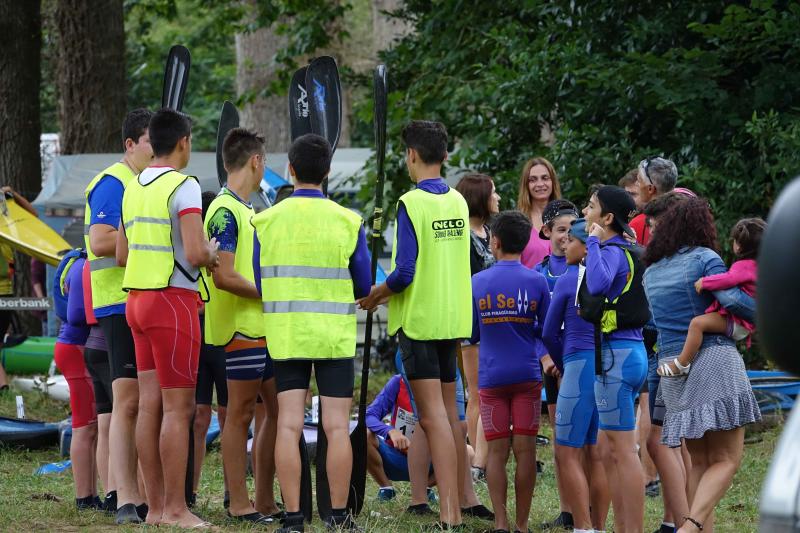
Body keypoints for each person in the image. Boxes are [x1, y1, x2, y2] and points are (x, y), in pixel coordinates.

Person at [252, 133, 371, 533]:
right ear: (329, 172)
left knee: (287, 424)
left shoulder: (265, 222)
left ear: (289, 168)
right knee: (337, 427)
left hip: (286, 334)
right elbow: (364, 285)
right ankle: (338, 516)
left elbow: (259, 280)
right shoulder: (348, 221)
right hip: (334, 335)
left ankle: (293, 519)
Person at [359, 120, 472, 530]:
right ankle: (455, 506)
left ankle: (448, 514)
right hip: (452, 319)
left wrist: (376, 293)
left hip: (421, 322)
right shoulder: (458, 202)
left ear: (411, 156)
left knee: (434, 419)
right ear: (443, 156)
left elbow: (404, 271)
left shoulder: (411, 203)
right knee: (448, 415)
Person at [118, 108, 220, 528]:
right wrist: (212, 254)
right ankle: (176, 509)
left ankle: (156, 508)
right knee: (178, 410)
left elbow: (122, 255)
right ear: (184, 143)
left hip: (137, 301)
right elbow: (196, 253)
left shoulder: (133, 185)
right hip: (173, 302)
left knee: (148, 407)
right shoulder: (186, 186)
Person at [642, 198, 761, 533]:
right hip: (712, 359)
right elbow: (734, 301)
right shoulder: (705, 259)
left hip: (673, 368)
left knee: (699, 463)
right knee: (726, 459)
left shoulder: (651, 273)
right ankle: (691, 527)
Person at [204, 128, 279, 524]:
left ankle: (264, 499)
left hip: (260, 328)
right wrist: (272, 295)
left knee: (276, 413)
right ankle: (237, 502)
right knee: (240, 414)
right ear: (255, 162)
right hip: (238, 330)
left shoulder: (247, 208)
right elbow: (224, 276)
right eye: (264, 161)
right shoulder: (224, 210)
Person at [83, 108, 153, 524]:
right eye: (150, 142)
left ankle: (142, 495)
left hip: (142, 302)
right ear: (130, 145)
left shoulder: (142, 183)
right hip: (116, 303)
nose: (155, 149)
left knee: (141, 403)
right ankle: (125, 498)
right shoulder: (114, 182)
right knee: (127, 403)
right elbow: (99, 238)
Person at [471, 210, 551, 533]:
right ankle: (522, 525)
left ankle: (501, 523)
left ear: (496, 242)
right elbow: (545, 330)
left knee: (496, 453)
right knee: (526, 451)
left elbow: (473, 333)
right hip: (527, 377)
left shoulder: (477, 282)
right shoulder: (537, 281)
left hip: (491, 379)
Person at [581, 186, 649, 533]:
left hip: (615, 360)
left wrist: (593, 242)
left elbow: (598, 283)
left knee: (623, 452)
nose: (585, 212)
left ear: (607, 218)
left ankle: (632, 529)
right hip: (633, 355)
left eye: (591, 207)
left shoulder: (607, 249)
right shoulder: (630, 249)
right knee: (614, 448)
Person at [543, 218, 611, 533]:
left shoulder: (569, 280)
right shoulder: (608, 275)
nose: (564, 244)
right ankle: (596, 526)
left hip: (577, 366)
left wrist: (561, 363)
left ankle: (583, 528)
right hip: (603, 368)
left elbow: (548, 332)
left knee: (566, 451)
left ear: (585, 248)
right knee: (595, 454)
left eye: (570, 240)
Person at [658, 218, 764, 378]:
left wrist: (705, 282)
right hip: (744, 323)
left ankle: (682, 363)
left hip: (738, 322)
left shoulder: (744, 265)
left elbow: (729, 279)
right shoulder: (761, 265)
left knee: (697, 324)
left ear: (739, 246)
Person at [534, 199, 581, 530]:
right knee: (561, 441)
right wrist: (546, 358)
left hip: (581, 363)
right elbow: (535, 327)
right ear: (547, 231)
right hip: (553, 367)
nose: (566, 237)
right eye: (561, 230)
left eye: (572, 230)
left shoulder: (585, 269)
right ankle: (567, 510)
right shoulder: (539, 274)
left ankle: (587, 507)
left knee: (586, 442)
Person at [453, 173, 499, 481]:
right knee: (477, 390)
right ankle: (475, 459)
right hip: (472, 319)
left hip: (496, 317)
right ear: (479, 197)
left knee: (490, 388)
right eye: (493, 193)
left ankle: (486, 451)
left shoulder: (489, 231)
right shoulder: (463, 236)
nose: (497, 198)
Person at [52, 250, 98, 510]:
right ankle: (84, 497)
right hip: (75, 347)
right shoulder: (84, 266)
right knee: (84, 425)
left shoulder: (76, 263)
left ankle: (90, 495)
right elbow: (78, 315)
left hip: (71, 346)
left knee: (91, 425)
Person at [192, 191, 229, 508]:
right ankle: (188, 491)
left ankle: (233, 492)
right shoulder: (188, 243)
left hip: (222, 333)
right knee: (198, 416)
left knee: (229, 415)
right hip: (197, 334)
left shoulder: (225, 238)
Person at [365, 373, 438, 512]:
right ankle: (386, 488)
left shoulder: (441, 383)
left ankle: (425, 489)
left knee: (467, 451)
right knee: (364, 436)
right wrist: (390, 431)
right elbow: (369, 415)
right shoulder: (398, 382)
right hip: (395, 457)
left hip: (430, 462)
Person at [80, 258, 117, 513]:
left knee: (106, 424)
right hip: (109, 345)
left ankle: (111, 493)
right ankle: (120, 493)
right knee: (122, 420)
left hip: (92, 342)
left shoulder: (83, 265)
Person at [0, 186, 39, 391]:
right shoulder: (6, 222)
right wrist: (13, 195)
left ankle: (3, 387)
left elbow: (33, 216)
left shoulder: (5, 222)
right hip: (6, 293)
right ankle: (4, 387)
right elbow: (33, 215)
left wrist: (12, 195)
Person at [517, 157, 563, 268]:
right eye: (533, 180)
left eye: (545, 178)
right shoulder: (517, 222)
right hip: (527, 285)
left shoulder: (566, 217)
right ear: (526, 185)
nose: (540, 184)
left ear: (553, 182)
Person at [630, 157, 678, 246]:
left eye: (639, 180)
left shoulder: (639, 224)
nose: (636, 184)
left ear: (650, 189)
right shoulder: (687, 215)